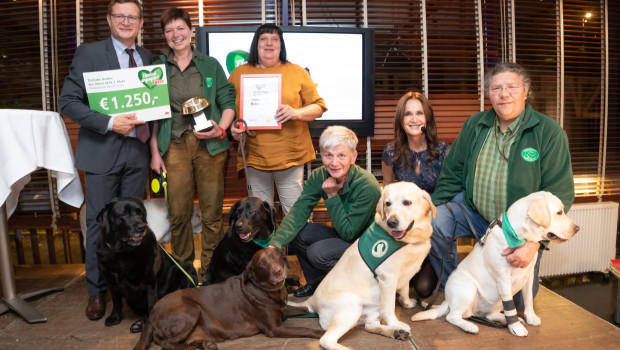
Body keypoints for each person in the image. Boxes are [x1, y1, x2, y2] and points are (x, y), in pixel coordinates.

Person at [428, 62, 574, 307]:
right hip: (475, 214)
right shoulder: (475, 125)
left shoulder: (548, 132)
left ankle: (486, 290)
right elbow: (452, 172)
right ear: (489, 94)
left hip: (520, 228)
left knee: (516, 305)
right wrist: (430, 207)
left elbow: (559, 192)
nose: (504, 94)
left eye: (512, 87)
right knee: (434, 222)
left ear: (526, 91)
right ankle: (455, 285)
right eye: (496, 88)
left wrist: (535, 243)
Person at [58, 0, 152, 321]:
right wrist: (111, 122)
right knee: (99, 224)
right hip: (101, 150)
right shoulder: (90, 53)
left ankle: (129, 290)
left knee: (132, 226)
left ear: (141, 22)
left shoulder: (148, 59)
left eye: (132, 17)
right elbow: (67, 102)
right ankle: (97, 293)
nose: (126, 21)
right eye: (120, 16)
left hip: (137, 153)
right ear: (109, 19)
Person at [149, 7, 236, 280]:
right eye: (169, 30)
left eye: (180, 28)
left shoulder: (210, 65)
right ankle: (183, 272)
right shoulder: (157, 68)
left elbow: (228, 104)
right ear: (164, 36)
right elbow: (152, 114)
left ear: (191, 31)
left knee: (211, 213)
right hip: (173, 145)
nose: (176, 35)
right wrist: (154, 151)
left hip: (209, 147)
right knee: (178, 213)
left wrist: (220, 130)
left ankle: (212, 272)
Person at [268, 126, 382, 297]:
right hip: (346, 237)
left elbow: (348, 232)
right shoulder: (319, 176)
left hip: (367, 245)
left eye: (341, 155)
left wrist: (332, 196)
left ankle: (360, 285)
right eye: (329, 155)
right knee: (299, 233)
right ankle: (317, 285)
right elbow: (298, 213)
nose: (334, 163)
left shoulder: (368, 185)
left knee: (318, 253)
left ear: (354, 157)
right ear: (321, 155)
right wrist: (274, 245)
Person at [228, 23, 327, 215]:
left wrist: (296, 113)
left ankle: (298, 247)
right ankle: (267, 247)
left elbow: (318, 107)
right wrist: (233, 128)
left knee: (295, 215)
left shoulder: (297, 72)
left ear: (281, 45)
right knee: (259, 218)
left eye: (275, 39)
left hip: (290, 156)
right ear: (256, 44)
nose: (269, 44)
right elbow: (229, 109)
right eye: (264, 39)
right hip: (254, 157)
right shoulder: (239, 74)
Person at [381, 91, 450, 297]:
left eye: (419, 113)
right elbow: (387, 188)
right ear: (400, 120)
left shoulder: (444, 151)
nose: (414, 119)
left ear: (427, 118)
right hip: (401, 231)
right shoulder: (391, 152)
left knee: (423, 289)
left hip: (431, 230)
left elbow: (448, 193)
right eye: (407, 114)